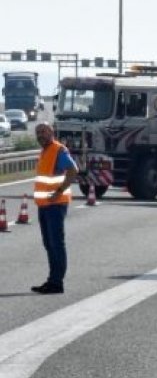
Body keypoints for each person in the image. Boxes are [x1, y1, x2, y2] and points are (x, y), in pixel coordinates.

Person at [31, 122, 78, 294]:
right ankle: (52, 280)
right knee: (49, 244)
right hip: (44, 205)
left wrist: (59, 191)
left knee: (56, 243)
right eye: (38, 133)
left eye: (43, 131)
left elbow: (73, 170)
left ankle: (56, 282)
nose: (40, 135)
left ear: (51, 132)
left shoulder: (58, 150)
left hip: (55, 206)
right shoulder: (44, 151)